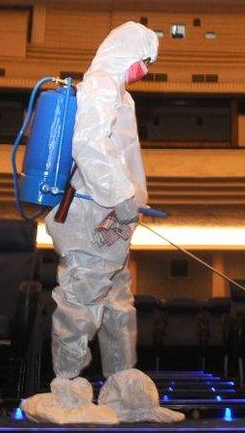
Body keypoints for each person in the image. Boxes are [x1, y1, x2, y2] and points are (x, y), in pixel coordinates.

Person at [21, 21, 184, 424]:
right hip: (92, 210)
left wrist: (130, 203)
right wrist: (120, 195)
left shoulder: (120, 95)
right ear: (124, 51)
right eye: (143, 60)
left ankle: (124, 390)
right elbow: (88, 143)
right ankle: (67, 390)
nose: (144, 70)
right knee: (82, 296)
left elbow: (122, 152)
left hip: (113, 215)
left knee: (116, 301)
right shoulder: (99, 85)